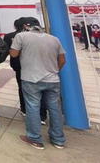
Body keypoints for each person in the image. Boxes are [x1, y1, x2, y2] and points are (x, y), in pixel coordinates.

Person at [10, 18, 67, 150]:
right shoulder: (54, 39)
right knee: (55, 109)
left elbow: (13, 54)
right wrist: (54, 70)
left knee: (32, 108)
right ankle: (58, 139)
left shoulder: (21, 36)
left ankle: (34, 138)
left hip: (31, 79)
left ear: (26, 26)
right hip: (52, 79)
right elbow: (62, 59)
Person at [3, 18, 47, 123]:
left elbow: (6, 52)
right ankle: (42, 114)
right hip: (40, 67)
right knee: (40, 90)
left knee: (23, 89)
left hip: (20, 67)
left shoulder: (10, 36)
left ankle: (25, 109)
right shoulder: (44, 37)